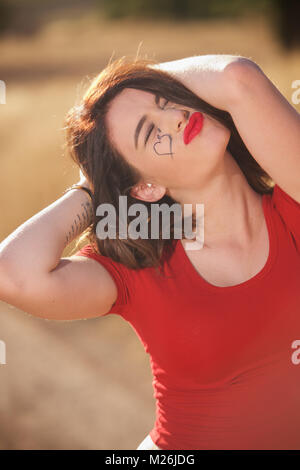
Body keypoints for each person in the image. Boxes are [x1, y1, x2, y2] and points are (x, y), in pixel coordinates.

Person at [0, 54, 299, 450]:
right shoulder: (142, 269)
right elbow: (13, 275)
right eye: (148, 131)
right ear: (145, 189)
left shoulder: (293, 204)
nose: (176, 117)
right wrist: (95, 188)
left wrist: (127, 84)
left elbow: (237, 77)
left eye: (166, 101)